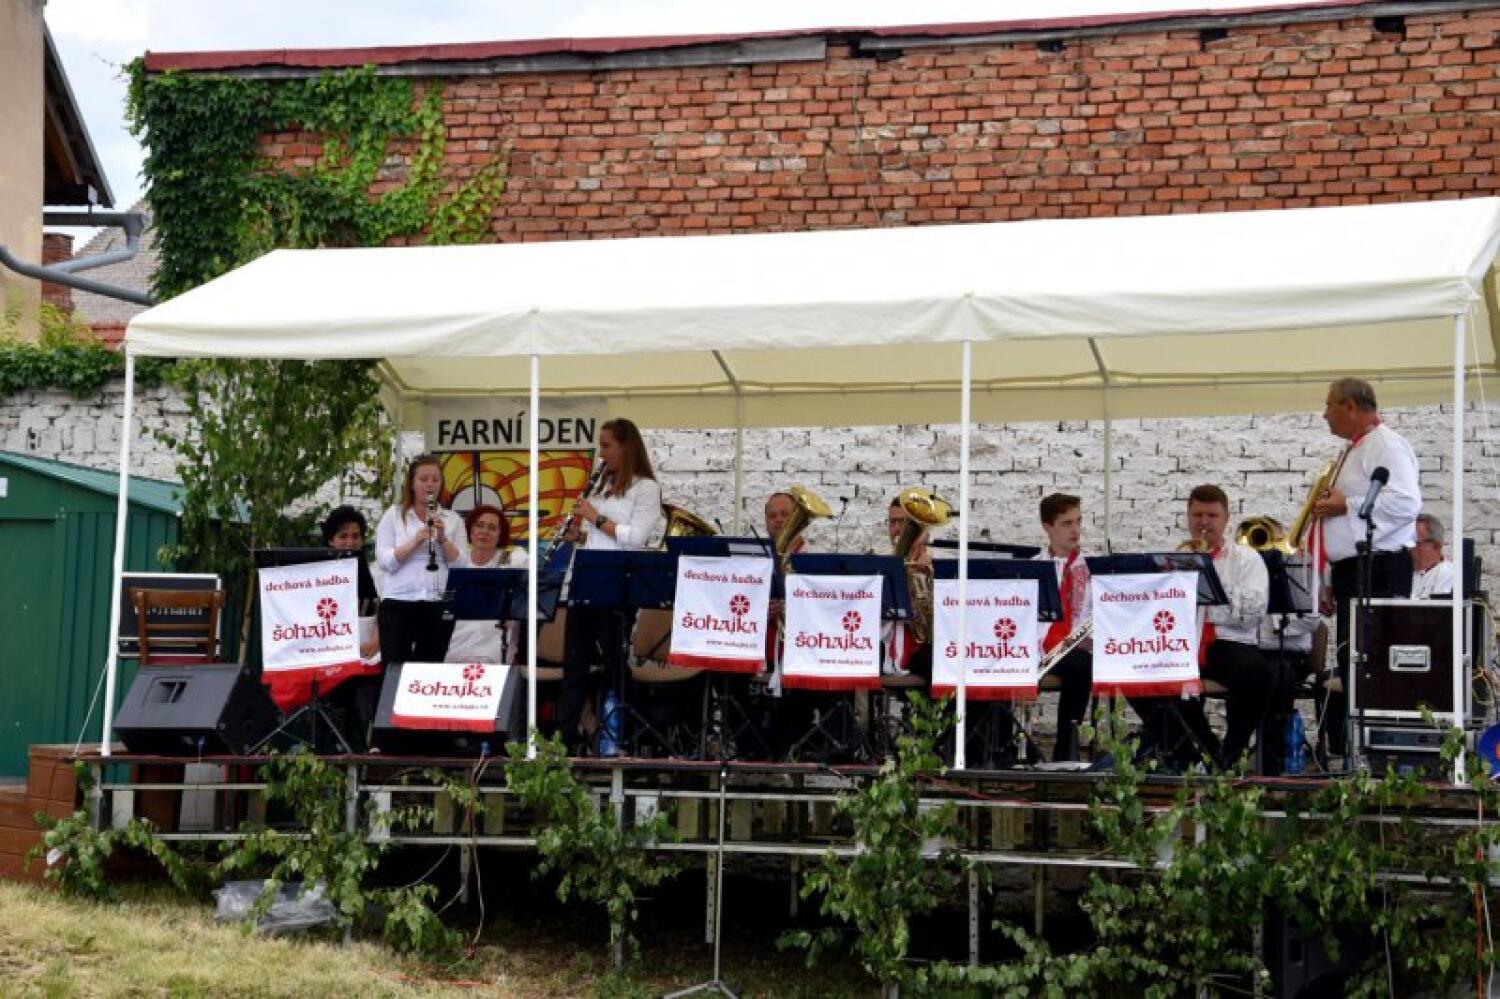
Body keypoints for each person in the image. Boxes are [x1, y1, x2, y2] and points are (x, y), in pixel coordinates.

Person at [1310, 378, 1421, 754]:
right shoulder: (1356, 448)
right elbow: (1344, 525)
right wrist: (1329, 576)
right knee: (1350, 658)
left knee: (1370, 661)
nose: (1324, 414)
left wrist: (1347, 503)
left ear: (1350, 407)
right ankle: (1359, 750)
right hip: (1354, 570)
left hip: (1379, 568)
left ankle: (1376, 750)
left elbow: (1406, 503)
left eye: (1329, 405)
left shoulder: (1386, 445)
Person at [1134, 485, 1272, 771]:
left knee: (1257, 674)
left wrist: (1208, 598)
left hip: (1227, 642)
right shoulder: (1172, 559)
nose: (1204, 522)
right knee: (1134, 675)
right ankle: (1197, 750)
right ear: (1187, 517)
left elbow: (1253, 613)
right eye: (1197, 515)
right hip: (1182, 643)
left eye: (1212, 515)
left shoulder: (1247, 559)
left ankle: (1231, 751)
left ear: (1226, 518)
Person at [559, 418, 664, 754]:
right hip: (587, 577)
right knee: (574, 664)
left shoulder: (646, 488)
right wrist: (579, 536)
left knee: (614, 665)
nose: (601, 454)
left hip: (619, 584)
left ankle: (621, 737)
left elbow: (636, 538)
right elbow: (600, 538)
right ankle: (562, 741)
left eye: (606, 446)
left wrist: (595, 518)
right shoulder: (601, 485)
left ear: (626, 446)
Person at [375, 454, 468, 667]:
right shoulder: (393, 516)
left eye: (435, 479)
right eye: (424, 479)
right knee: (394, 668)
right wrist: (415, 541)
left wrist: (443, 539)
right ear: (412, 484)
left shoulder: (453, 520)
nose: (430, 484)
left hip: (438, 602)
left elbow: (462, 567)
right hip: (399, 600)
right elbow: (385, 562)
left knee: (430, 669)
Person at [1033, 493, 1093, 762]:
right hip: (1038, 650)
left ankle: (1066, 751)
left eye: (1078, 521)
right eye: (1067, 524)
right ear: (1048, 527)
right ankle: (1005, 746)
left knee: (1082, 664)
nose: (1075, 530)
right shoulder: (1033, 568)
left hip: (1075, 650)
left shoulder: (1092, 567)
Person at [319, 505, 382, 751]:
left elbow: (388, 610)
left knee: (363, 706)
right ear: (331, 540)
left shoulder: (377, 572)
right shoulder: (318, 575)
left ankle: (363, 760)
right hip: (331, 660)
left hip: (367, 658)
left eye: (355, 536)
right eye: (343, 536)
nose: (350, 542)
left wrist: (376, 641)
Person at [444, 504, 529, 665]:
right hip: (456, 636)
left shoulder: (513, 559)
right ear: (470, 530)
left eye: (492, 528)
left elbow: (528, 595)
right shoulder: (459, 560)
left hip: (496, 637)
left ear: (500, 535)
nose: (484, 531)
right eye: (479, 525)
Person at [1410, 512, 1456, 599]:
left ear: (1436, 546)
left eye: (1415, 543)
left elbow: (1439, 606)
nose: (1410, 549)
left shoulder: (1449, 573)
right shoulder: (1407, 575)